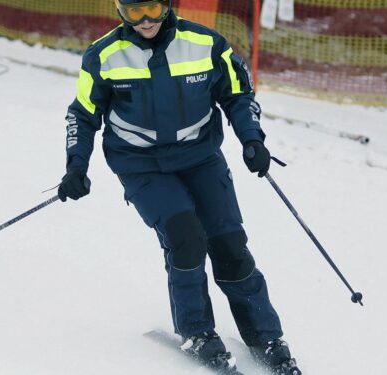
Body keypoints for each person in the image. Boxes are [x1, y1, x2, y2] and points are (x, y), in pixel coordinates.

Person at [58, 1, 301, 374]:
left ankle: (265, 336)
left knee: (229, 243)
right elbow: (83, 114)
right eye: (134, 12)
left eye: (153, 8)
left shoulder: (206, 43)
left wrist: (252, 140)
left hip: (199, 157)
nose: (145, 21)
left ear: (168, 5)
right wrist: (76, 165)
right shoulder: (104, 55)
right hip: (141, 164)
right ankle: (197, 331)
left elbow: (238, 94)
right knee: (186, 237)